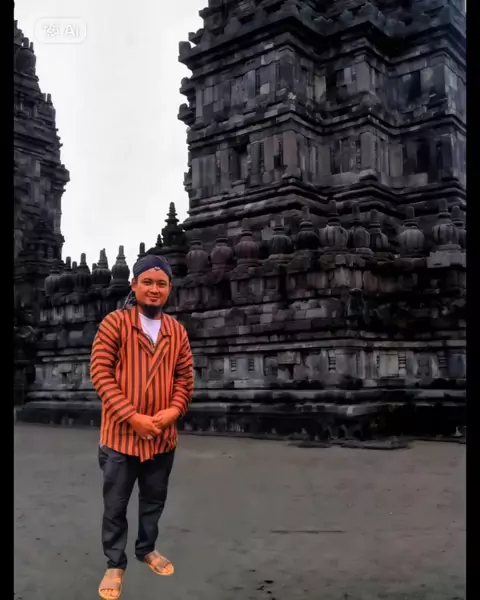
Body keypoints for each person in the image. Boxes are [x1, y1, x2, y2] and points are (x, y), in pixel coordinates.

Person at [90, 254, 194, 600]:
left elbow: (184, 378)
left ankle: (146, 549)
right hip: (121, 435)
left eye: (161, 284)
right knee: (115, 505)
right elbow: (101, 374)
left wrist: (173, 411)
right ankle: (114, 563)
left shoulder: (177, 331)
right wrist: (132, 416)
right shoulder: (115, 324)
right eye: (147, 282)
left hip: (162, 436)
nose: (154, 289)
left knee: (153, 500)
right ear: (134, 286)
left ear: (169, 289)